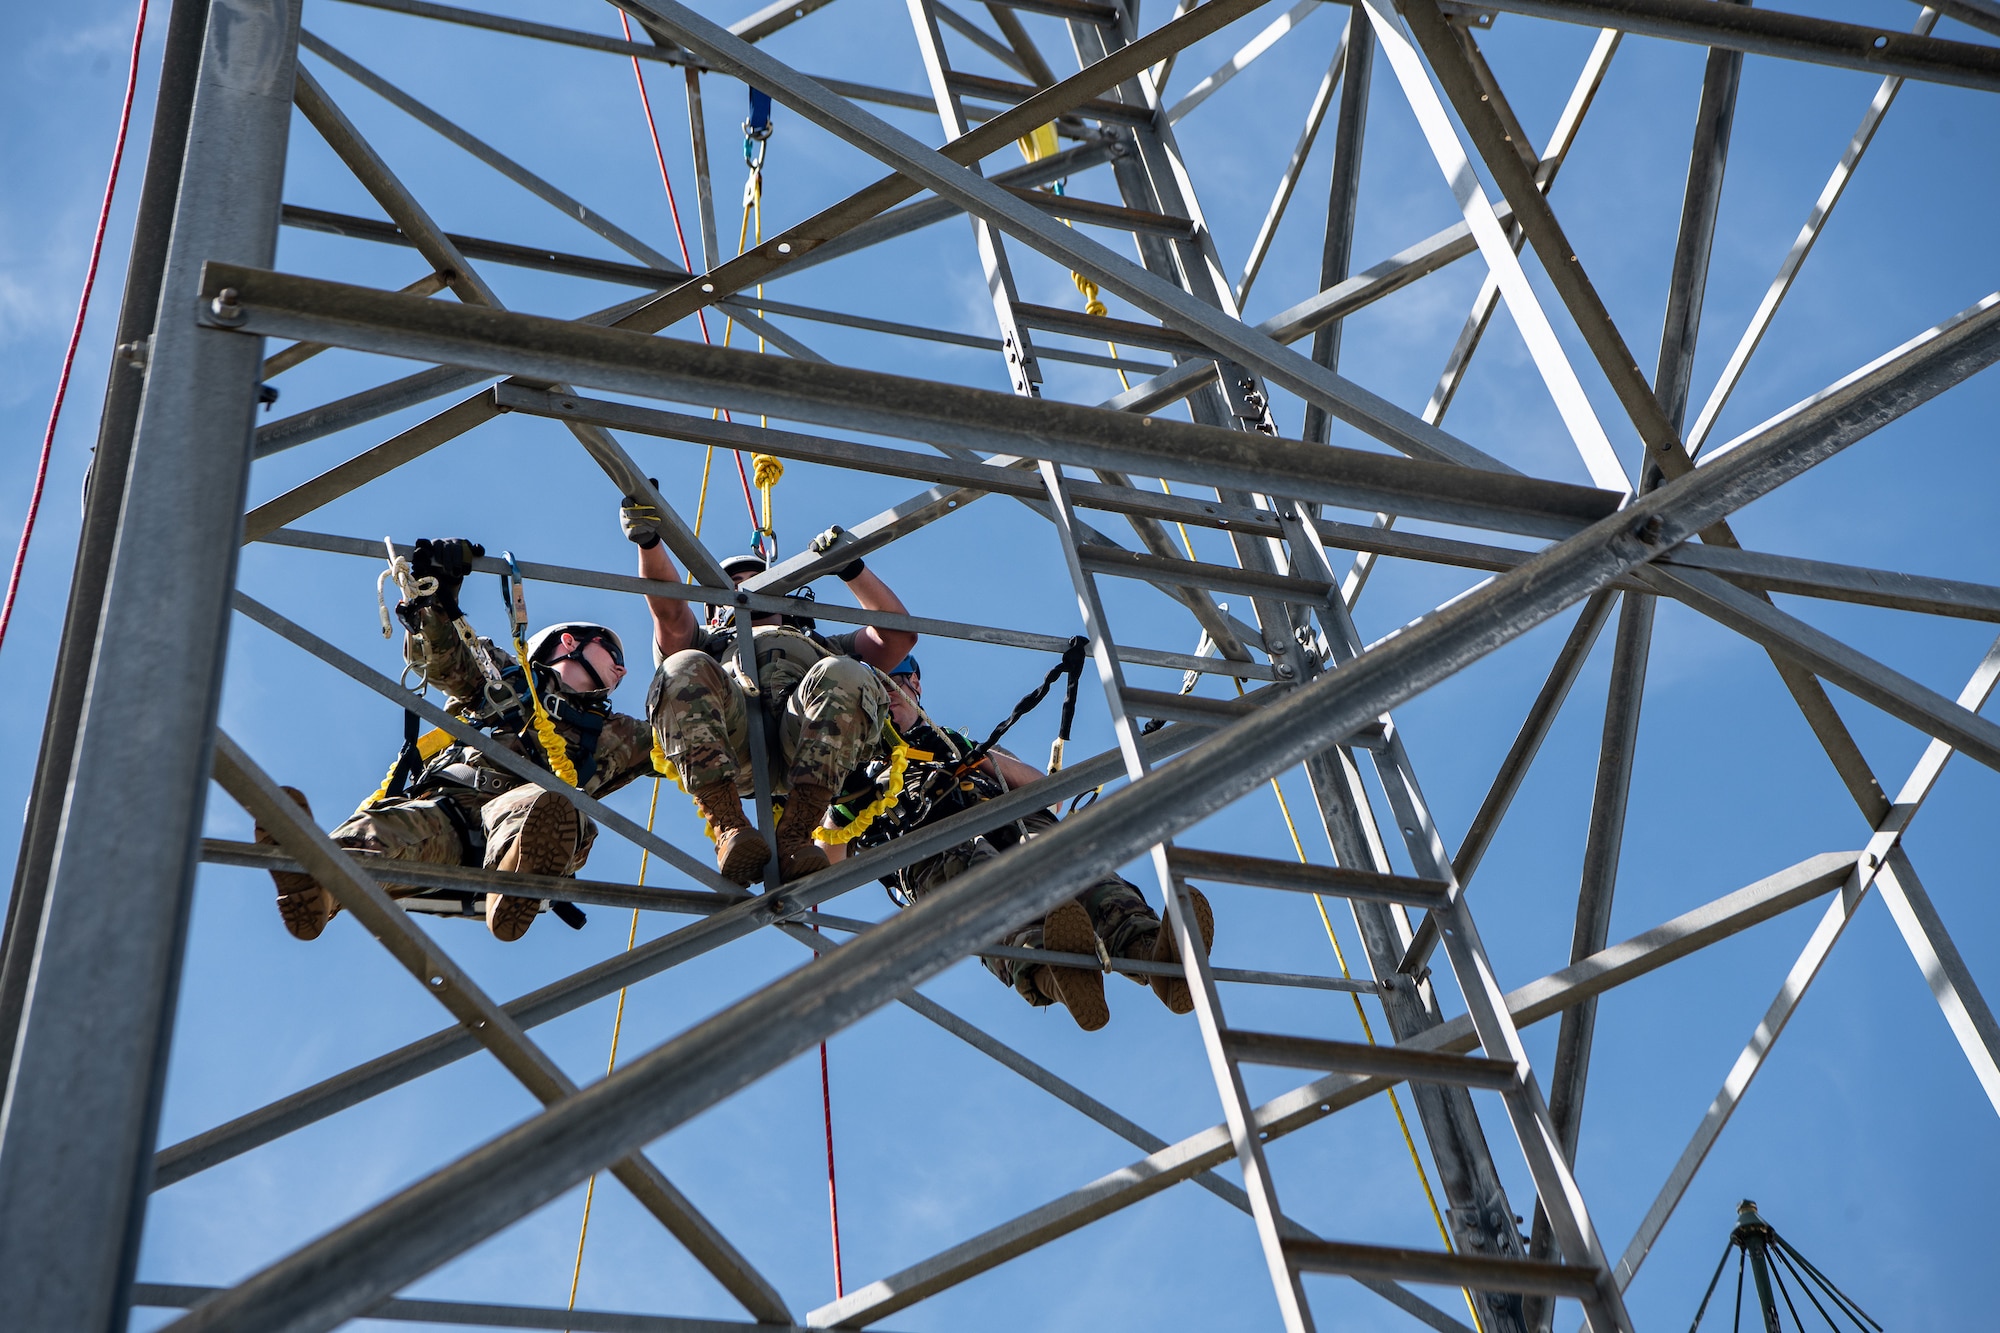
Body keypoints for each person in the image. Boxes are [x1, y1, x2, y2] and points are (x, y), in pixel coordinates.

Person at [255, 538, 656, 943]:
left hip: (523, 826)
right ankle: (316, 885)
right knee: (385, 829)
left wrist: (712, 656)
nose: (622, 671)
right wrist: (434, 599)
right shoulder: (503, 677)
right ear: (570, 642)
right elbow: (445, 662)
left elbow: (687, 738)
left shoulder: (617, 734)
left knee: (544, 804)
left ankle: (516, 882)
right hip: (448, 815)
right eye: (613, 655)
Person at [825, 655, 1214, 1031]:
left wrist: (968, 753)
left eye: (893, 680)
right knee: (989, 903)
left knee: (1086, 878)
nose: (886, 692)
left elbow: (1048, 795)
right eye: (874, 688)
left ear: (915, 686)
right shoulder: (847, 773)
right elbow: (825, 866)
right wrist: (842, 808)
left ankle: (1156, 958)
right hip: (929, 848)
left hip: (1016, 820)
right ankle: (1057, 979)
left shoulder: (952, 742)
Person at [622, 497, 917, 886]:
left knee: (846, 671)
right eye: (736, 586)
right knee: (680, 668)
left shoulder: (822, 643)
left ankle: (796, 833)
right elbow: (669, 611)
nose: (749, 589)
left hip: (812, 743)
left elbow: (896, 635)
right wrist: (650, 543)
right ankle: (729, 825)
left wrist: (851, 569)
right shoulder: (707, 642)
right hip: (737, 746)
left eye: (759, 581)